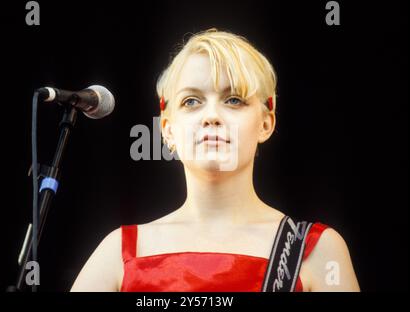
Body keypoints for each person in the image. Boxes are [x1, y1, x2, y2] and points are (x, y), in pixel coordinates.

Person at [71, 28, 360, 292]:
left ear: (265, 124)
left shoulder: (315, 250)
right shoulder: (120, 253)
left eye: (234, 99)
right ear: (167, 130)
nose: (211, 116)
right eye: (191, 101)